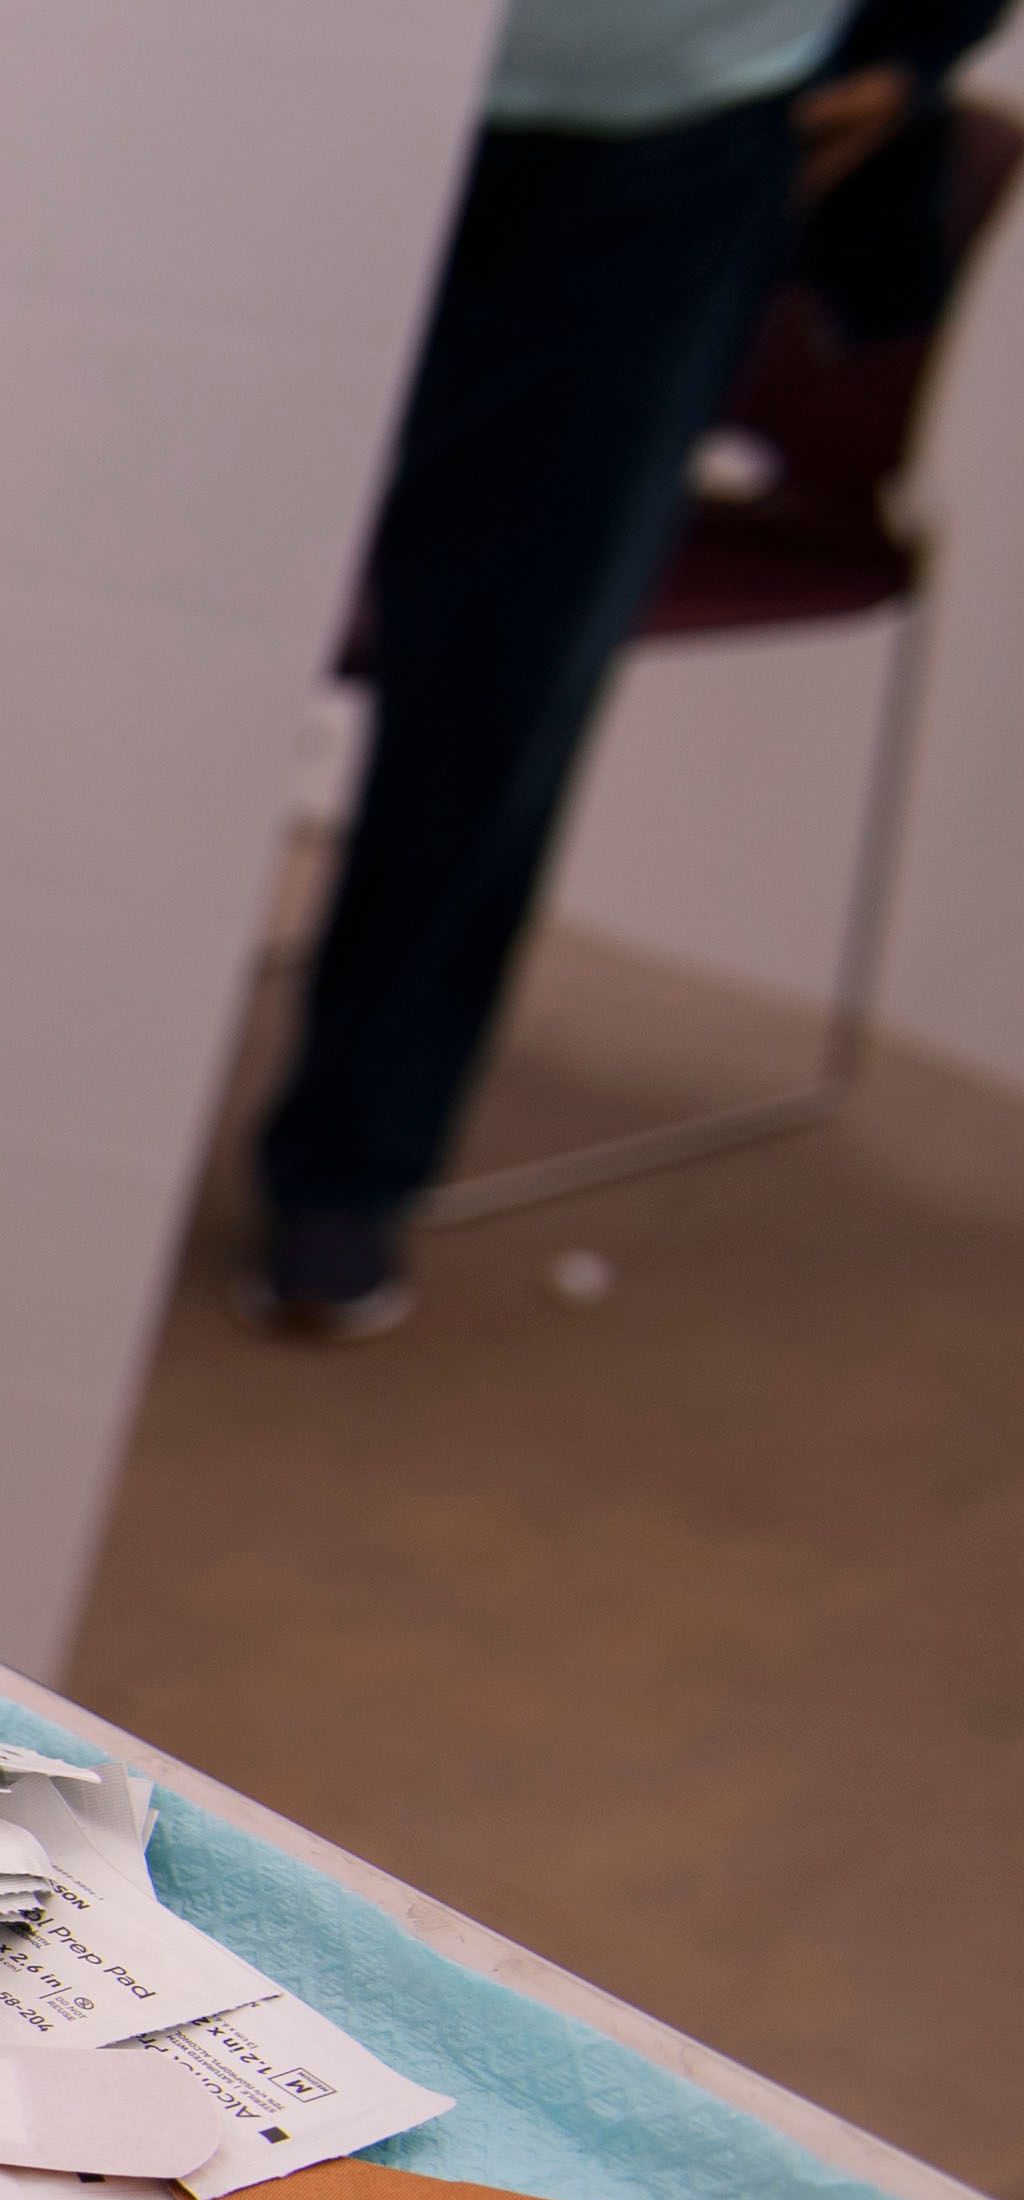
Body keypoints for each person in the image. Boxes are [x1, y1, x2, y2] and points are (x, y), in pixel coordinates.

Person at [246, 0, 1001, 1334]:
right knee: (163, 607)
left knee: (502, 674)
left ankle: (352, 1162)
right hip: (310, 108)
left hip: (667, 158)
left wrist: (909, 49)